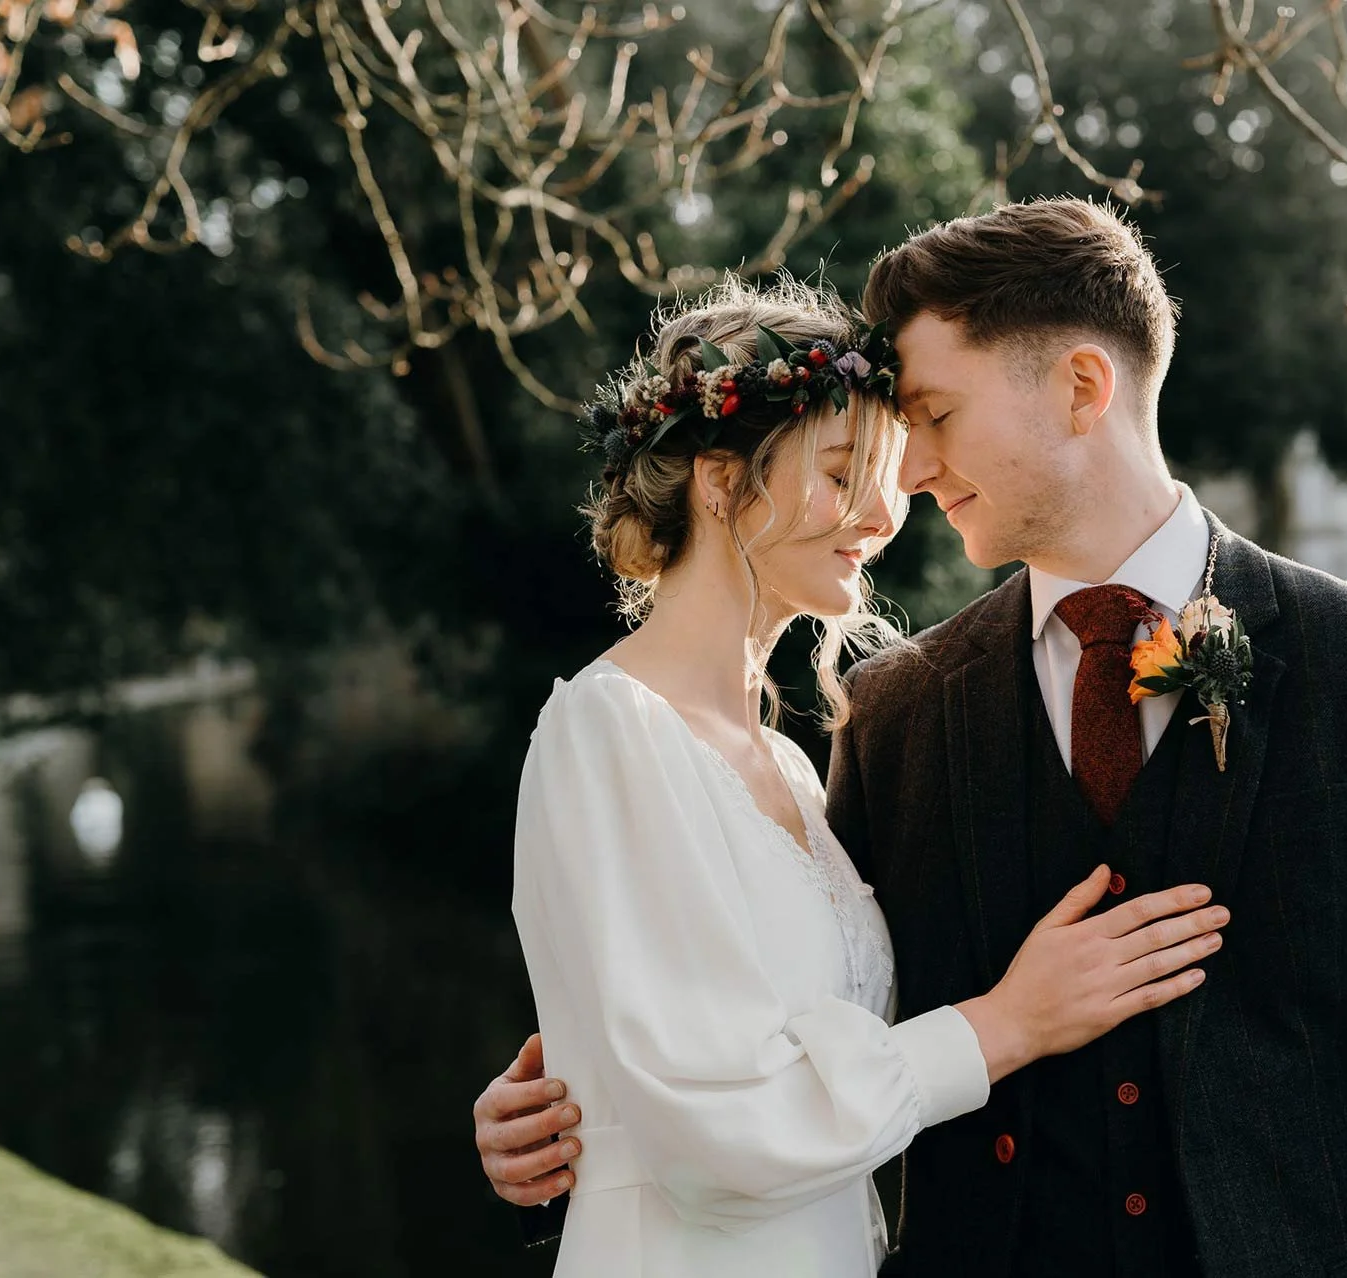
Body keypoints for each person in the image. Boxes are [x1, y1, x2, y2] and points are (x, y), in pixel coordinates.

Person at [479, 201, 1347, 1277]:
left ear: (1082, 389)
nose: (911, 477)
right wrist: (580, 1107)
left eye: (933, 414)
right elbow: (797, 1023)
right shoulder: (896, 708)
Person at [504, 275, 1227, 1278]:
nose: (884, 512)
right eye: (844, 471)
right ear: (720, 482)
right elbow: (717, 1133)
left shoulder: (789, 766)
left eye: (886, 475)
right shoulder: (608, 731)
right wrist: (1003, 1027)